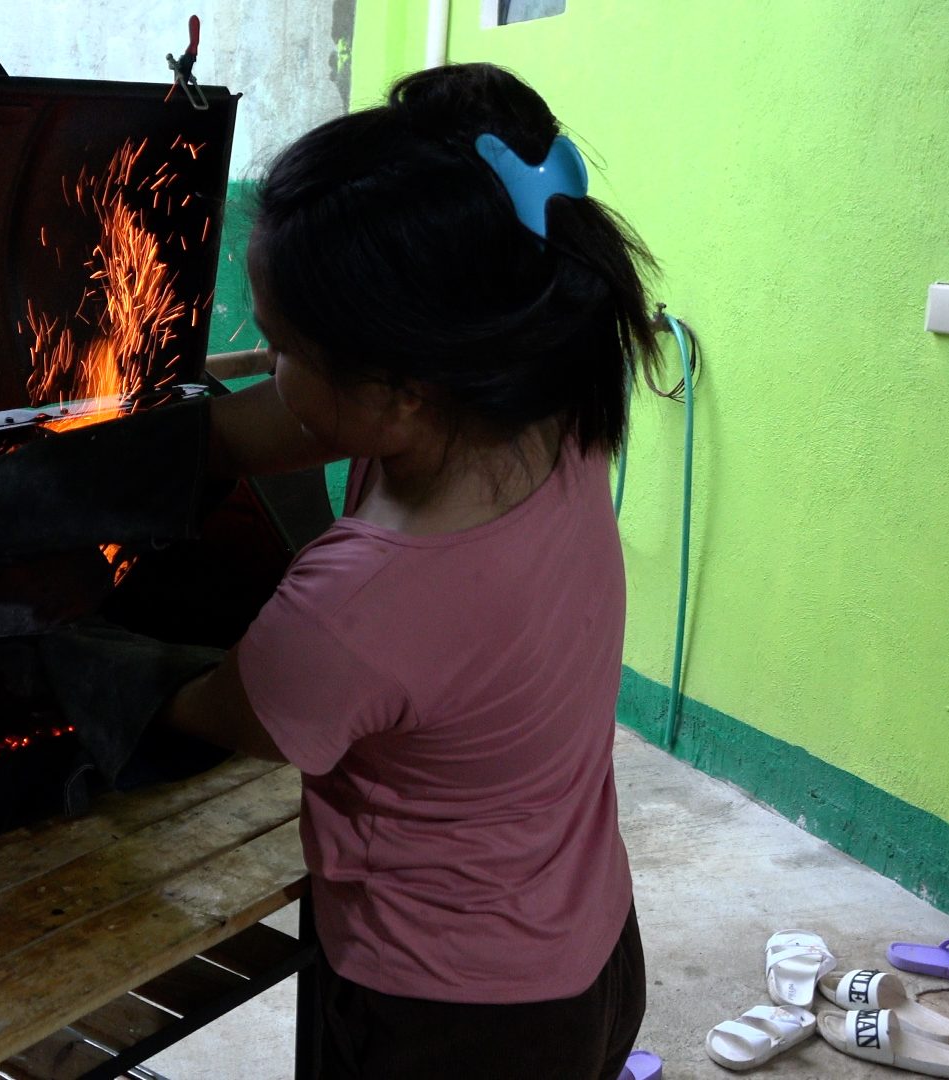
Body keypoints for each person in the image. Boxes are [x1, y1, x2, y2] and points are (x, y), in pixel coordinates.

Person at [158, 62, 662, 1078]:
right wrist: (139, 427)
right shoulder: (543, 404)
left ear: (403, 390)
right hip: (589, 952)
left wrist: (64, 651)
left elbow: (216, 710)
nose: (261, 355)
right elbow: (271, 424)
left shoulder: (357, 603)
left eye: (281, 342)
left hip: (445, 1020)